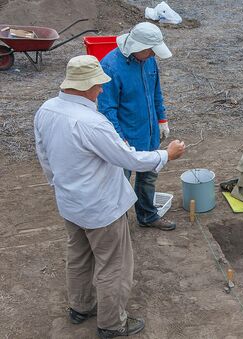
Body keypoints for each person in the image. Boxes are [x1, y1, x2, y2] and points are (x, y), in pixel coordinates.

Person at [34, 55, 185, 338]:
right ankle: (112, 324)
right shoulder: (92, 123)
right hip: (102, 209)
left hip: (70, 203)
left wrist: (58, 186)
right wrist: (167, 154)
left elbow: (44, 156)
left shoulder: (46, 110)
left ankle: (80, 307)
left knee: (78, 256)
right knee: (114, 265)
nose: (102, 90)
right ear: (86, 86)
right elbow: (128, 159)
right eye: (98, 85)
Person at [98, 22, 176, 231]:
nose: (153, 55)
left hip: (149, 134)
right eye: (150, 50)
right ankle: (117, 226)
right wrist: (118, 138)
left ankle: (148, 215)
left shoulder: (149, 62)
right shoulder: (110, 67)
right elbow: (107, 108)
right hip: (125, 138)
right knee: (119, 184)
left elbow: (156, 92)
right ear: (137, 46)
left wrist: (162, 120)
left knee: (148, 178)